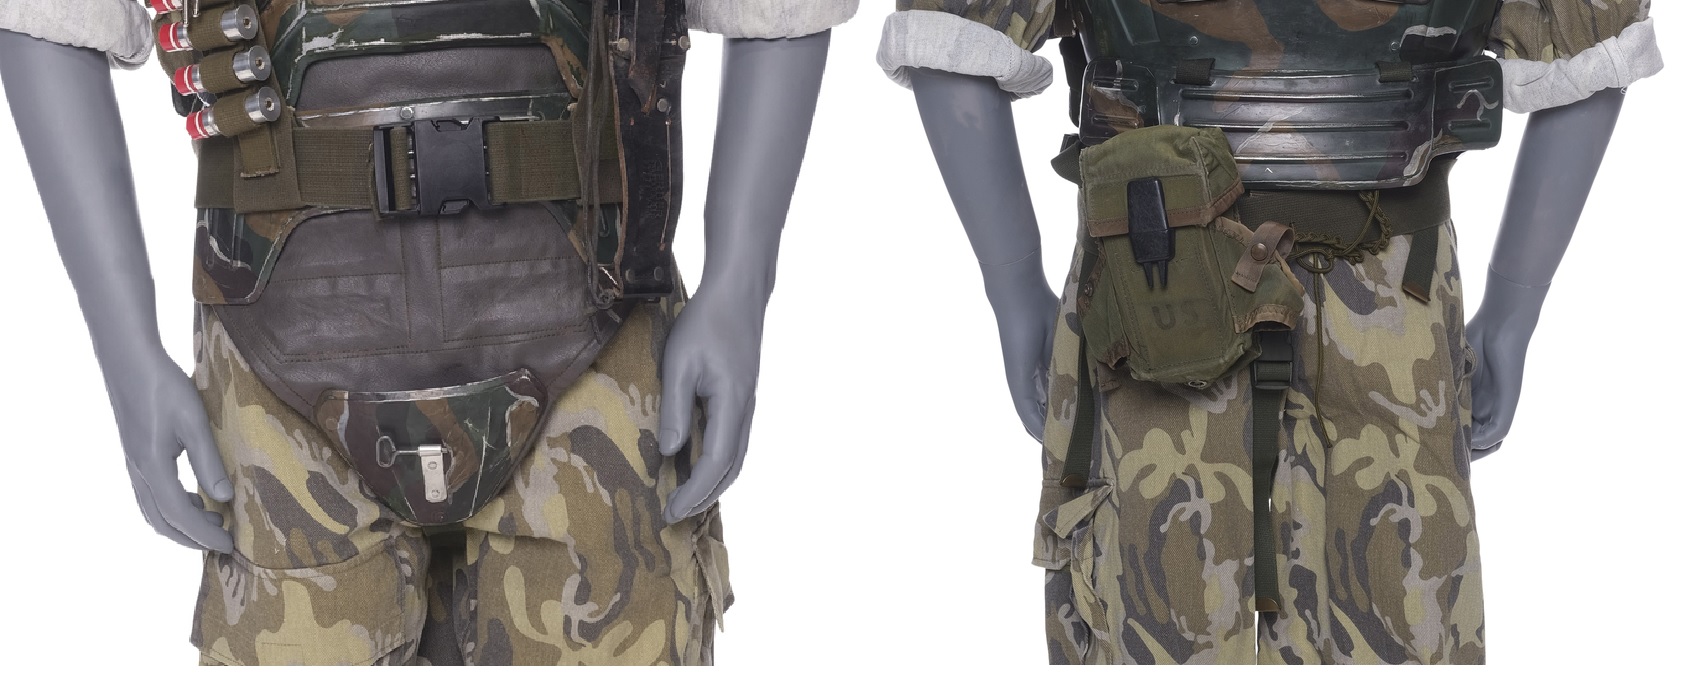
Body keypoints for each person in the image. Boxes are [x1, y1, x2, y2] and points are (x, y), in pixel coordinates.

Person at [0, 0, 856, 665]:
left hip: (596, 341)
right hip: (282, 368)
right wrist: (125, 354)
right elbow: (45, 20)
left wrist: (742, 285)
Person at [876, 0, 1662, 664]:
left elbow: (953, 36)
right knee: (1399, 615)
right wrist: (1515, 309)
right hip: (1338, 301)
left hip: (1159, 293)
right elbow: (1591, 43)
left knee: (1153, 617)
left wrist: (1014, 288)